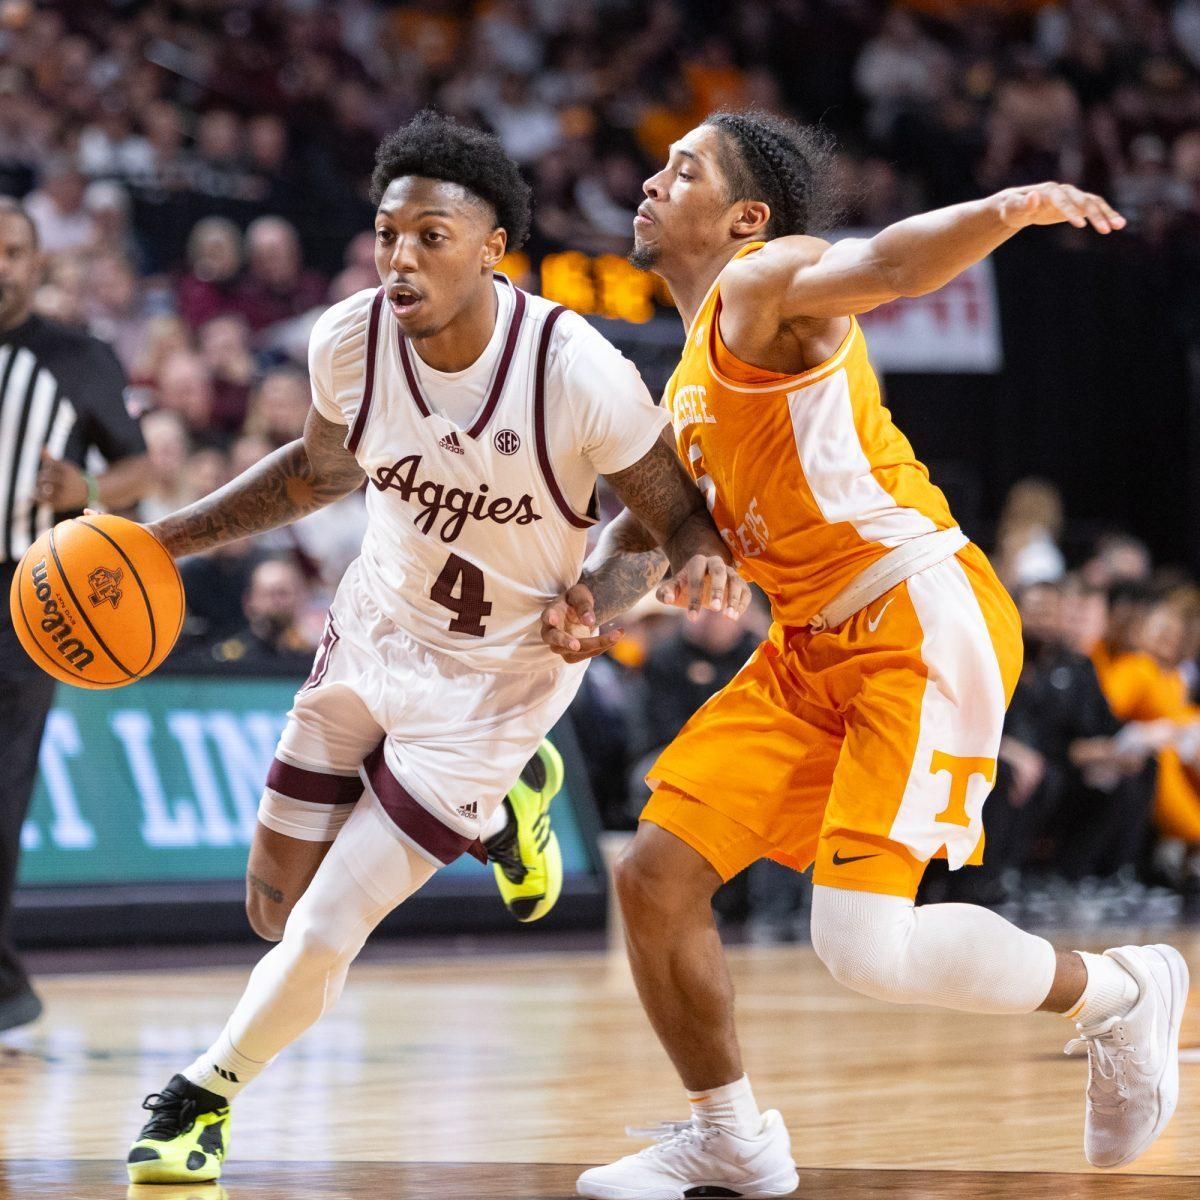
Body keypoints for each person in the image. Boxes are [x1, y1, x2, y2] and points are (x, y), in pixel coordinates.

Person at [537, 111, 1189, 1197]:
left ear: (746, 216)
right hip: (807, 643)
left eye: (681, 168)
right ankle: (731, 1137)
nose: (651, 181)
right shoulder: (686, 384)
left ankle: (1120, 991)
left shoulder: (767, 278)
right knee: (654, 878)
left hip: (911, 619)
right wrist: (586, 603)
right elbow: (646, 537)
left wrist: (1005, 209)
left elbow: (886, 261)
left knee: (863, 949)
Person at [125, 112, 749, 1186]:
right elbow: (319, 474)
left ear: (493, 247)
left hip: (497, 683)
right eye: (386, 234)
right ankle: (512, 813)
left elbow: (675, 521)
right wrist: (163, 540)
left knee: (326, 923)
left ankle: (199, 1099)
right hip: (373, 633)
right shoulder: (347, 340)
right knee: (270, 902)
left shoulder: (573, 368)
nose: (400, 258)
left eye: (430, 237)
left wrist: (601, 593)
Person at [0, 197, 148, 1032]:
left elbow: (139, 471)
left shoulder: (77, 358)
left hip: (20, 596)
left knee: (1, 794)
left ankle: (3, 984)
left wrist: (83, 493)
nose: (1, 266)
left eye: (13, 251)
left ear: (35, 262)